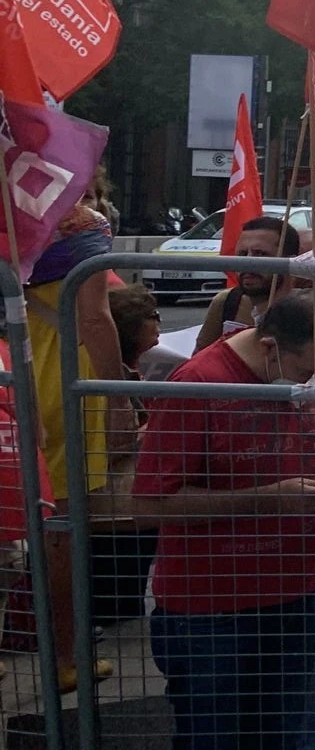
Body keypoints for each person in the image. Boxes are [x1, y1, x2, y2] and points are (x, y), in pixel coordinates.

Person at [133, 288, 315, 749]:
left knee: (301, 733)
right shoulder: (198, 384)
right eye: (306, 372)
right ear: (270, 347)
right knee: (218, 734)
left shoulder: (309, 378)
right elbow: (150, 504)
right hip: (210, 609)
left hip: (297, 593)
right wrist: (268, 498)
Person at [25, 202, 123, 690]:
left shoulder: (10, 219)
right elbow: (95, 319)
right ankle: (65, 659)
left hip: (8, 374)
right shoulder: (84, 226)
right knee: (60, 530)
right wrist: (122, 398)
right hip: (59, 382)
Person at [193, 215, 303, 353]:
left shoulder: (313, 309)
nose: (248, 263)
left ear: (290, 262)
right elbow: (199, 361)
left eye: (260, 254)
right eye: (243, 254)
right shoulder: (226, 302)